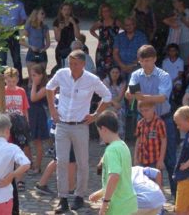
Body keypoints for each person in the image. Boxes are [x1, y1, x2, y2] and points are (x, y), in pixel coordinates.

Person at [46, 50, 112, 213]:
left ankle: (79, 196)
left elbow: (107, 96)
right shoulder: (62, 74)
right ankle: (62, 198)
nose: (72, 67)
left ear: (83, 64)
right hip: (62, 124)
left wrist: (96, 115)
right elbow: (49, 88)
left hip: (80, 125)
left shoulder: (91, 79)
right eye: (70, 63)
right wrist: (52, 110)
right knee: (61, 161)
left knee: (82, 162)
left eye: (75, 64)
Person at [126, 45, 177, 198]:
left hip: (164, 118)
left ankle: (175, 195)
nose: (145, 63)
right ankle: (148, 195)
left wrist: (141, 97)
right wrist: (131, 94)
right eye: (142, 60)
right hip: (144, 119)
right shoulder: (136, 74)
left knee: (170, 159)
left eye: (148, 60)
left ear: (154, 59)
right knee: (144, 156)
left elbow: (162, 98)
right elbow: (130, 93)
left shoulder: (163, 75)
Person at [93, 110, 138, 215]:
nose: (100, 135)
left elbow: (114, 176)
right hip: (129, 203)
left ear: (103, 129)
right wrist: (101, 193)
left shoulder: (111, 149)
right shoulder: (123, 145)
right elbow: (122, 179)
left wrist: (104, 203)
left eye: (99, 131)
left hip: (118, 207)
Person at [90, 165, 166, 215]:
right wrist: (159, 192)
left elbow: (98, 196)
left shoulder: (116, 177)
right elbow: (157, 173)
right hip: (159, 199)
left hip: (143, 202)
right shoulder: (137, 168)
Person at [0, 0, 27, 84]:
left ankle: (19, 83)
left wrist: (16, 26)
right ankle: (2, 83)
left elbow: (24, 19)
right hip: (2, 33)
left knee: (17, 59)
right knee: (2, 59)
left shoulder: (19, 4)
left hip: (14, 33)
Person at [28, 64, 50, 174]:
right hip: (31, 115)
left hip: (39, 116)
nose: (32, 77)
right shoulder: (34, 85)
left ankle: (37, 167)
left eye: (35, 75)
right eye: (31, 75)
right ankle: (32, 165)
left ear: (41, 75)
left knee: (38, 143)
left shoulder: (44, 87)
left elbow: (33, 98)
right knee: (31, 142)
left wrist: (34, 85)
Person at [89, 3, 121, 78]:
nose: (105, 13)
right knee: (101, 70)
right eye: (103, 11)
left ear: (110, 11)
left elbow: (126, 30)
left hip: (113, 49)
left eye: (107, 11)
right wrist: (98, 37)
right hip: (102, 49)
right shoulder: (100, 22)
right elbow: (91, 30)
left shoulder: (116, 22)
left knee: (113, 70)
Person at [20, 7, 51, 82]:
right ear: (36, 15)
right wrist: (31, 47)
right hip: (31, 53)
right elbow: (21, 40)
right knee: (31, 78)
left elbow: (48, 42)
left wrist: (44, 49)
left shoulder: (45, 27)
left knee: (42, 77)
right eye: (42, 14)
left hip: (42, 53)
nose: (43, 15)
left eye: (44, 14)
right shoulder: (29, 27)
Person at [134, 101, 167, 170]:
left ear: (153, 108)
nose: (144, 113)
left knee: (156, 180)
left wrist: (161, 160)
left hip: (154, 159)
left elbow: (164, 140)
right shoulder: (140, 123)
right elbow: (138, 140)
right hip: (142, 159)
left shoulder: (159, 122)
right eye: (142, 111)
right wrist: (135, 157)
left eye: (146, 110)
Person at [163, 0, 189, 65]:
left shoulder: (188, 12)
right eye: (172, 2)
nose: (173, 4)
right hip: (173, 41)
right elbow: (165, 21)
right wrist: (174, 16)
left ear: (181, 2)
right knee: (171, 62)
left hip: (185, 41)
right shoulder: (173, 13)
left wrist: (183, 20)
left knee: (187, 62)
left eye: (175, 2)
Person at [53, 3, 80, 70]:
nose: (66, 12)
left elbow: (78, 36)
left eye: (68, 9)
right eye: (64, 9)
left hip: (72, 48)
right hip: (61, 48)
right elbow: (57, 39)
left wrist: (73, 23)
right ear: (61, 11)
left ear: (71, 11)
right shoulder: (57, 22)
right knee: (62, 68)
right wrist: (59, 29)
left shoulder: (75, 20)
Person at [103, 65, 127, 139]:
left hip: (120, 104)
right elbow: (105, 96)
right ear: (109, 73)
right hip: (107, 104)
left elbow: (120, 97)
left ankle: (119, 137)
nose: (115, 74)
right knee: (107, 112)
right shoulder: (105, 81)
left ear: (120, 73)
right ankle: (106, 137)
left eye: (117, 72)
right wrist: (113, 103)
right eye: (113, 72)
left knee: (119, 112)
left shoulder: (123, 82)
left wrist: (115, 103)